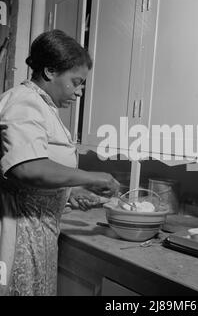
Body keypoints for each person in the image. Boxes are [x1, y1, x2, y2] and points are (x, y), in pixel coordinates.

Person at [0, 30, 120, 296]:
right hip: (19, 231)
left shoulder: (42, 106)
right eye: (75, 82)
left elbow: (37, 170)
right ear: (50, 71)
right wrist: (90, 176)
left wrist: (68, 193)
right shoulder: (24, 102)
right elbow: (27, 168)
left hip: (38, 230)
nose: (78, 92)